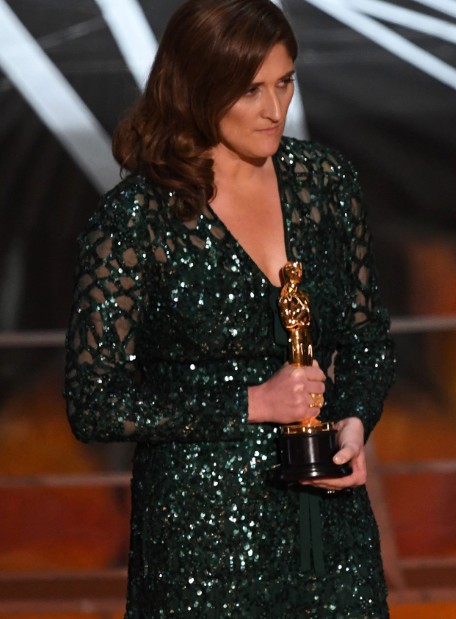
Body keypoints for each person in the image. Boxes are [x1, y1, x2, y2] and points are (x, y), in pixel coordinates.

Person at [63, 1, 395, 616]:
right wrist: (251, 403)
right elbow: (93, 401)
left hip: (329, 528)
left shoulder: (325, 183)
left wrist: (353, 421)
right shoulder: (135, 221)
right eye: (250, 90)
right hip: (202, 542)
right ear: (197, 89)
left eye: (285, 82)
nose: (275, 110)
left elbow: (367, 335)